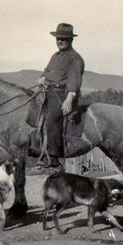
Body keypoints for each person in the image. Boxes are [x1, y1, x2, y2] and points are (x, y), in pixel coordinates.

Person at [37, 23, 85, 167]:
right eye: (58, 38)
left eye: (64, 39)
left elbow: (74, 79)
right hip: (49, 92)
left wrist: (69, 99)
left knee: (52, 118)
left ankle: (53, 158)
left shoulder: (75, 58)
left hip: (64, 95)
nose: (60, 41)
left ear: (71, 40)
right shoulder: (55, 56)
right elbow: (47, 71)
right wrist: (43, 78)